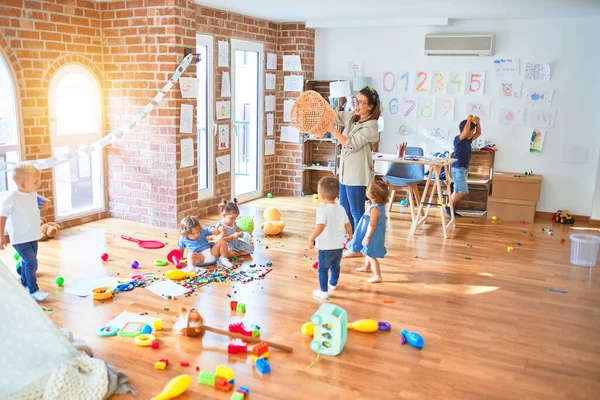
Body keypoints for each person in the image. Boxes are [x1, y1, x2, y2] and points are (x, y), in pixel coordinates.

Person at [328, 86, 381, 258]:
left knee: (357, 212)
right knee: (345, 210)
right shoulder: (354, 117)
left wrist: (334, 131)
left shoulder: (371, 127)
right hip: (345, 173)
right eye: (355, 100)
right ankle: (351, 240)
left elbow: (349, 143)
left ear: (371, 106)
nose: (356, 105)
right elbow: (337, 115)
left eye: (361, 102)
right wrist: (326, 108)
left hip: (357, 176)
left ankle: (358, 247)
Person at [0, 164, 48, 301]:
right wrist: (1, 235)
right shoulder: (13, 198)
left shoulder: (32, 194)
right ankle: (34, 290)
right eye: (35, 182)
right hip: (20, 239)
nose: (39, 183)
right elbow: (2, 216)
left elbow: (44, 202)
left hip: (32, 236)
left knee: (29, 263)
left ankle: (24, 284)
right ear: (22, 184)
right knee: (31, 263)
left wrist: (47, 203)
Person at [308, 177, 353, 299]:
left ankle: (323, 291)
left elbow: (320, 226)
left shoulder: (322, 210)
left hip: (325, 247)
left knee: (323, 269)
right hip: (338, 246)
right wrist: (350, 235)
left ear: (321, 196)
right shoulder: (341, 208)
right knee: (335, 266)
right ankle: (332, 283)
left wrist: (311, 238)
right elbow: (347, 224)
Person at [350, 180, 389, 283]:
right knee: (366, 251)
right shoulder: (378, 205)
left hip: (373, 235)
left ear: (373, 195)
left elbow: (372, 225)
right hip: (374, 234)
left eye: (368, 189)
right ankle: (366, 267)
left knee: (370, 255)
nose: (366, 190)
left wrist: (367, 237)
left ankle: (377, 275)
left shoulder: (375, 209)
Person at [447, 115, 481, 217]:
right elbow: (466, 131)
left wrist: (478, 122)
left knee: (458, 190)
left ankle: (450, 208)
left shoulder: (468, 141)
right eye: (472, 131)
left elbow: (478, 133)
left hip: (463, 169)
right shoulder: (458, 140)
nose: (473, 133)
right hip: (458, 169)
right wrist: (469, 119)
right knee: (462, 191)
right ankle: (448, 206)